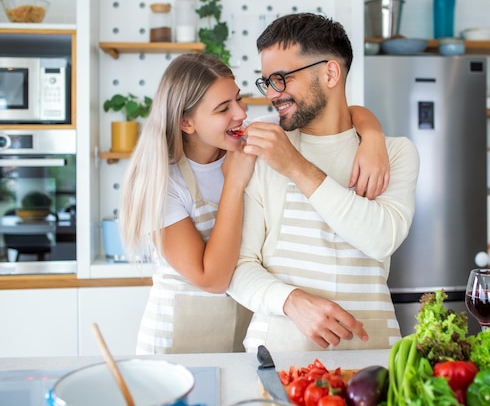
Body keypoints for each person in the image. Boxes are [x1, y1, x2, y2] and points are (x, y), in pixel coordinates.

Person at [118, 53, 391, 354]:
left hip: (242, 334)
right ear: (186, 122)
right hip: (176, 343)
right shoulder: (162, 183)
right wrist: (233, 184)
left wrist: (374, 138)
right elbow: (213, 279)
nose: (240, 114)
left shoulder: (249, 142)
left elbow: (343, 110)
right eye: (223, 109)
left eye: (239, 99)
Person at [227, 13, 420, 352]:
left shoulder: (395, 153)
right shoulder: (261, 150)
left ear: (330, 72)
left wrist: (296, 167)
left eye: (281, 78)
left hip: (372, 355)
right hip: (278, 355)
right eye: (266, 82)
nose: (272, 93)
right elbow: (238, 267)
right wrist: (291, 301)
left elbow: (381, 239)